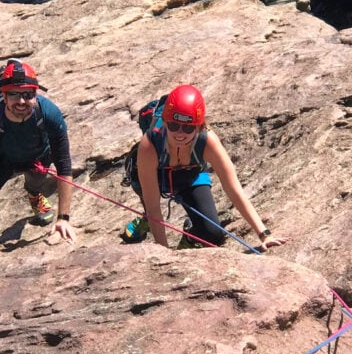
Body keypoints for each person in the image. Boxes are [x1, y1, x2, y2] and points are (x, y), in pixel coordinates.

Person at [122, 84, 288, 251]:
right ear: (165, 122)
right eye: (174, 125)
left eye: (188, 127)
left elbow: (233, 189)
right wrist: (163, 253)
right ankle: (146, 222)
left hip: (190, 175)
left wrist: (264, 234)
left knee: (212, 233)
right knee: (151, 211)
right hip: (156, 177)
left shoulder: (207, 141)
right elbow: (154, 207)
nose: (180, 133)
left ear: (199, 126)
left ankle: (189, 238)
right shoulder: (150, 144)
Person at [0, 59, 76, 263]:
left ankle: (35, 195)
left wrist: (63, 219)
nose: (21, 101)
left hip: (37, 156)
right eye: (14, 94)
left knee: (36, 183)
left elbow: (64, 165)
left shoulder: (50, 113)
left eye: (28, 95)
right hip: (1, 160)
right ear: (3, 96)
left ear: (36, 95)